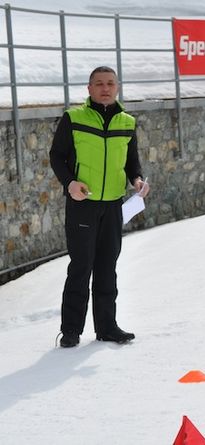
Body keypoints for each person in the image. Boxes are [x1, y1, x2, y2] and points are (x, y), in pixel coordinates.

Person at [50, 66, 150, 348]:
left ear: (117, 87)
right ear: (89, 88)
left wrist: (137, 180)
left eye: (110, 83)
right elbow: (57, 156)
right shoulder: (74, 118)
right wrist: (70, 183)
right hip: (83, 204)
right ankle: (71, 330)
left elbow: (131, 161)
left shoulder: (127, 122)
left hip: (113, 204)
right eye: (99, 84)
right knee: (81, 267)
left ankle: (107, 327)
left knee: (108, 266)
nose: (105, 88)